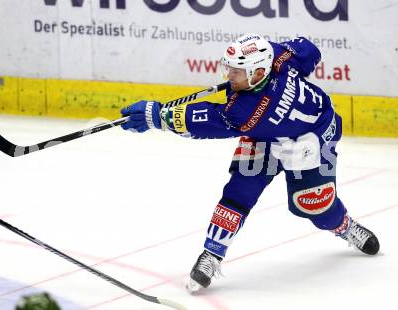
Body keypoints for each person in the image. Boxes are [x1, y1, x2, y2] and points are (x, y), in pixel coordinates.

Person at [120, 33, 380, 294]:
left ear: (258, 73)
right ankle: (212, 254)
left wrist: (159, 116)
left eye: (237, 71)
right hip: (265, 136)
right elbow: (309, 50)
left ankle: (345, 227)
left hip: (311, 140)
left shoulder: (245, 111)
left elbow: (205, 120)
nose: (229, 76)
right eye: (229, 68)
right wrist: (281, 57)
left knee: (315, 205)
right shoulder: (277, 57)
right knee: (239, 192)